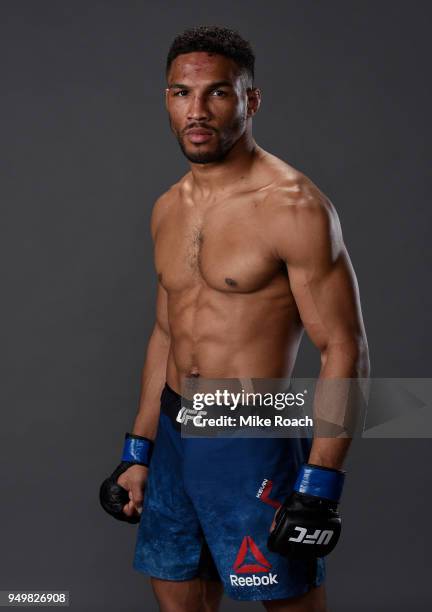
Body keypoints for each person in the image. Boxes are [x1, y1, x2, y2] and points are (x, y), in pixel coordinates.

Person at [100, 26, 370, 611]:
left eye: (217, 93)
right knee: (176, 593)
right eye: (180, 94)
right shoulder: (168, 207)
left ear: (250, 99)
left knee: (285, 598)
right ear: (167, 99)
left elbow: (345, 349)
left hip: (248, 428)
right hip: (175, 427)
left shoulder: (293, 206)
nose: (196, 111)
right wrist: (138, 450)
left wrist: (321, 485)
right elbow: (166, 332)